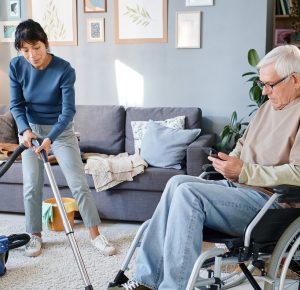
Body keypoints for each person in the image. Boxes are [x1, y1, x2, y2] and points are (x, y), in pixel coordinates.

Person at [108, 44, 300, 290]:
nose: (264, 92)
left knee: (189, 194)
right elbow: (243, 143)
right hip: (239, 189)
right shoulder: (268, 108)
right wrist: (229, 161)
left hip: (270, 203)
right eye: (262, 84)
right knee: (177, 182)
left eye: (269, 85)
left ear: (294, 79)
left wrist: (245, 171)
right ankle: (147, 280)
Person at [9, 19, 116, 257]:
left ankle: (95, 235)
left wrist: (51, 138)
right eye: (25, 50)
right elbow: (16, 104)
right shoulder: (16, 66)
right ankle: (34, 236)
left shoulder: (64, 69)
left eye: (36, 47)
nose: (32, 55)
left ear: (45, 44)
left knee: (78, 183)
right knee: (31, 185)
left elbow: (68, 111)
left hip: (61, 129)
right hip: (30, 130)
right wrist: (26, 131)